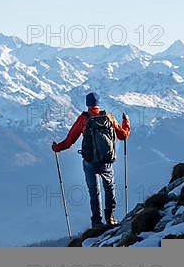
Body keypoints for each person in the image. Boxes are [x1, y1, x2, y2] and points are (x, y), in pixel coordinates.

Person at [52, 93, 130, 228]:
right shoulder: (108, 117)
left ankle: (97, 222)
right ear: (99, 103)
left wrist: (57, 147)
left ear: (87, 104)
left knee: (94, 191)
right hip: (106, 161)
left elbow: (69, 141)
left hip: (90, 162)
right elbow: (123, 136)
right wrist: (126, 122)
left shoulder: (83, 119)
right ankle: (110, 217)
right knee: (109, 187)